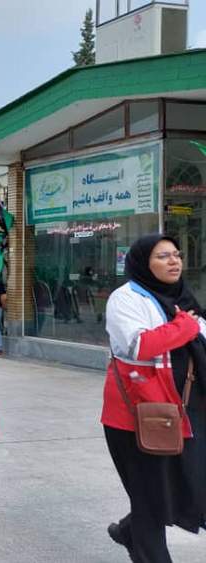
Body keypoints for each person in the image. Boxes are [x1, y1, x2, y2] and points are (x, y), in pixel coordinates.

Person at [102, 234, 206, 561]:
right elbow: (140, 345)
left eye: (177, 254)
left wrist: (187, 325)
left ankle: (129, 530)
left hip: (189, 411)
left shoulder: (184, 300)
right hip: (140, 415)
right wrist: (184, 327)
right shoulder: (126, 299)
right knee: (148, 497)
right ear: (143, 262)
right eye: (163, 256)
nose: (174, 261)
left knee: (187, 486)